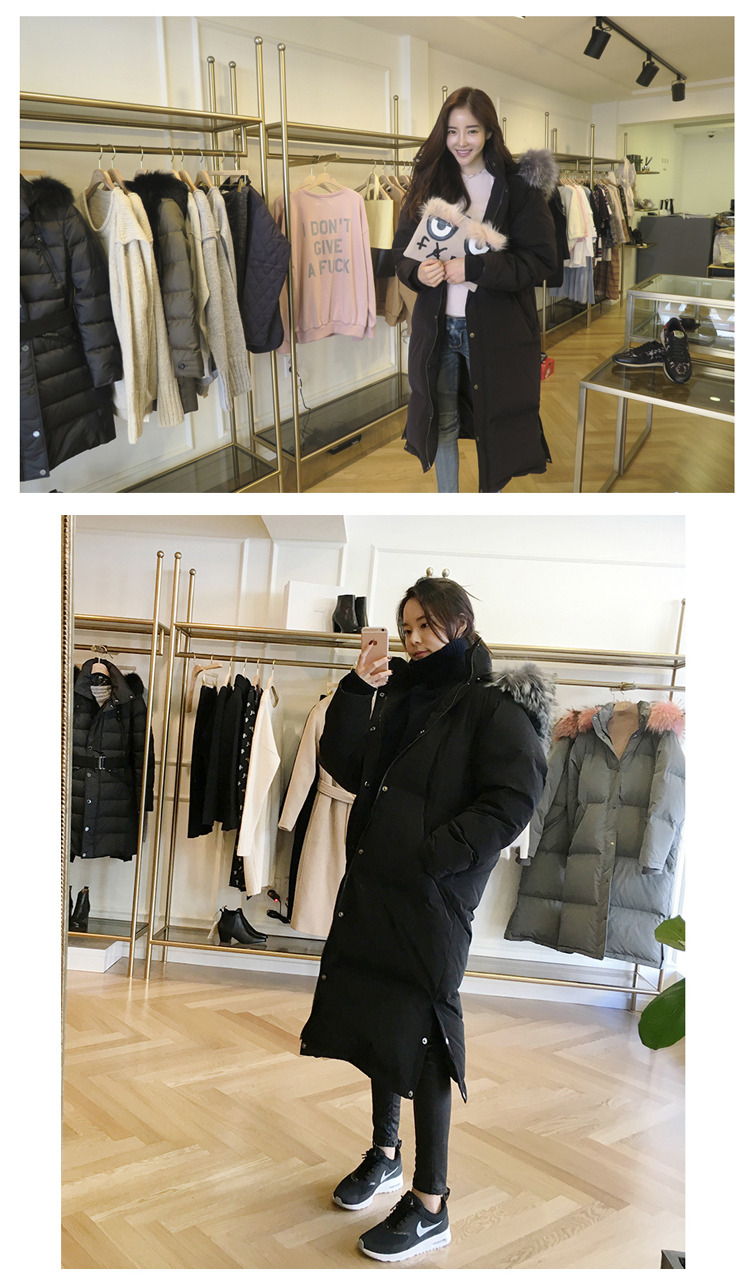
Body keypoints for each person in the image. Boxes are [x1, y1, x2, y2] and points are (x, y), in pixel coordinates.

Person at [299, 576, 553, 1261]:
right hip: (375, 887)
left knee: (428, 1036)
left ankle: (431, 1202)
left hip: (433, 898)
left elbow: (514, 799)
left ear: (459, 623)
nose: (412, 639)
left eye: (425, 626)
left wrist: (436, 856)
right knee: (382, 1016)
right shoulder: (399, 694)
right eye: (406, 626)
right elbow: (343, 765)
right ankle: (385, 1153)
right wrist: (357, 689)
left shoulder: (492, 705)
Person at [392, 87, 560, 493]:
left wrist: (477, 267)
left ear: (488, 132)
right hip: (437, 331)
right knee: (442, 422)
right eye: (452, 131)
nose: (461, 142)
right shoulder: (429, 182)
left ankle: (486, 508)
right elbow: (402, 253)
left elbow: (540, 262)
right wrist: (419, 274)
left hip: (497, 329)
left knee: (495, 423)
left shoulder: (518, 188)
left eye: (471, 130)